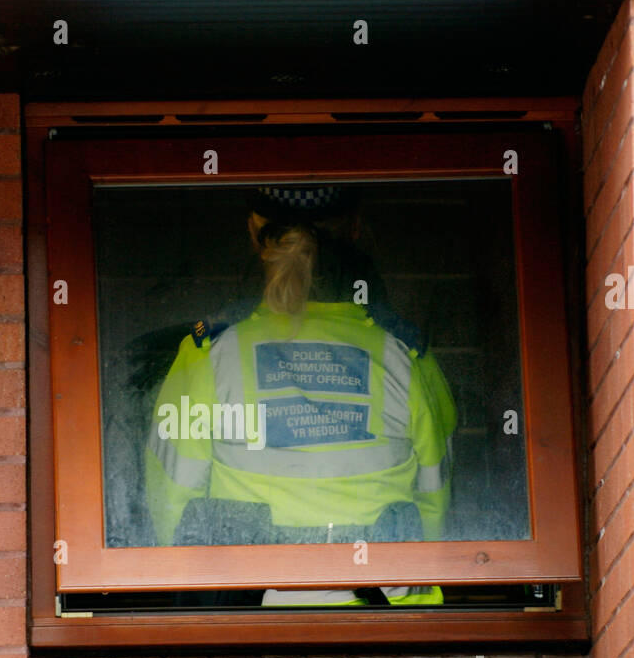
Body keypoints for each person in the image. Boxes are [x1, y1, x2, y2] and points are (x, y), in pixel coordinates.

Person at [145, 184, 457, 606]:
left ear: (255, 234)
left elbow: (172, 507)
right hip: (390, 626)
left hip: (254, 627)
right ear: (355, 229)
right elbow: (435, 507)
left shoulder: (209, 353)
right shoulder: (406, 355)